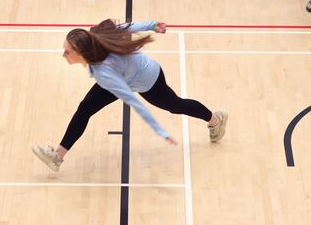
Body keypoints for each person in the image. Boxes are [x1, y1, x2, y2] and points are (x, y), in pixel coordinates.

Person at [31, 19, 227, 172]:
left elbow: (134, 101)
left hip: (147, 77)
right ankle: (57, 156)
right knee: (85, 108)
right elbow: (125, 28)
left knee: (175, 105)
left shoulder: (104, 73)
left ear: (81, 53)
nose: (63, 54)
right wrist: (151, 25)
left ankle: (215, 120)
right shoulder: (95, 41)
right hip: (123, 74)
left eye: (67, 51)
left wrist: (159, 130)